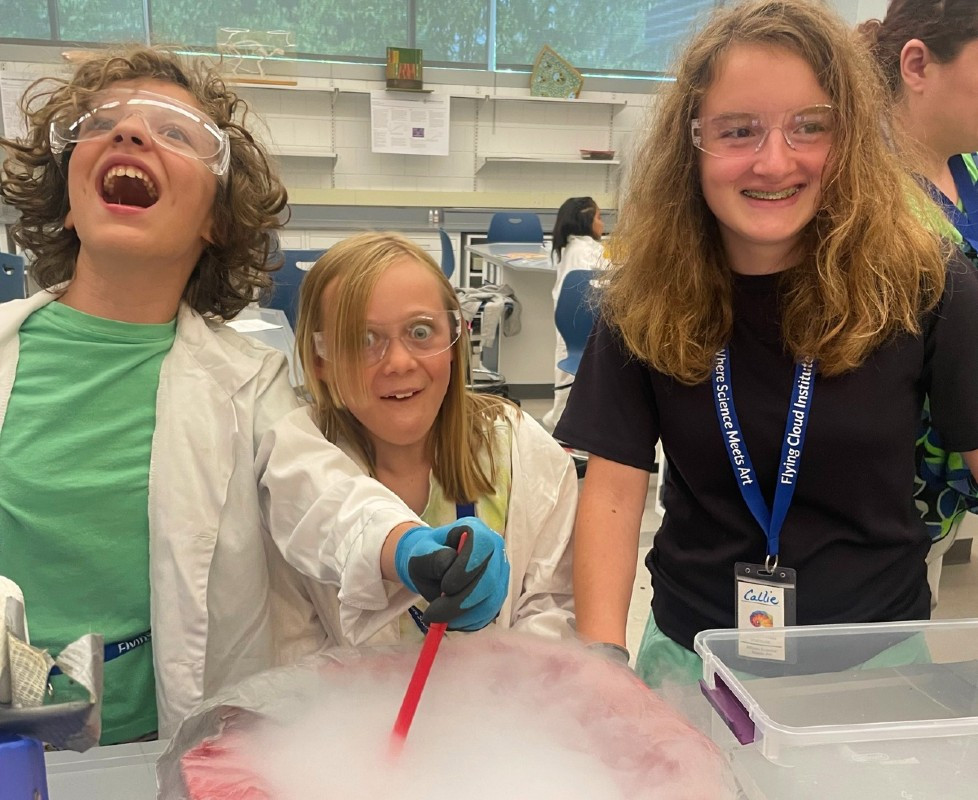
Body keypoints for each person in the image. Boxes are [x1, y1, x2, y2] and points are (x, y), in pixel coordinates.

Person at [0, 46, 508, 743]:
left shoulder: (246, 382)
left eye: (175, 132)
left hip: (162, 745)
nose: (130, 134)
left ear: (215, 220)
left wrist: (407, 545)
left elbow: (321, 494)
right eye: (105, 122)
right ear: (65, 201)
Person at [554, 0, 978, 686]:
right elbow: (613, 488)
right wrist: (603, 661)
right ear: (692, 139)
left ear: (848, 140)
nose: (774, 161)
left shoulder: (928, 284)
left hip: (876, 662)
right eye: (739, 130)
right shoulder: (644, 296)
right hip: (694, 658)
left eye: (810, 127)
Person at [284, 232, 576, 643]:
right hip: (355, 705)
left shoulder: (521, 452)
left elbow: (552, 611)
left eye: (421, 332)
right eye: (363, 340)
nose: (399, 362)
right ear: (320, 361)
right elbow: (293, 642)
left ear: (455, 341)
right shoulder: (299, 458)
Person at [859, 0, 978, 603]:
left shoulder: (971, 171)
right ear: (916, 64)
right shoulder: (861, 194)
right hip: (877, 497)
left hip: (949, 490)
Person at [541, 197, 610, 434]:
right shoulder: (582, 250)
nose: (603, 225)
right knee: (571, 381)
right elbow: (597, 285)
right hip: (581, 327)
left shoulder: (574, 247)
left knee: (567, 379)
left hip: (573, 326)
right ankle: (564, 430)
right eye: (599, 218)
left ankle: (563, 426)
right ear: (586, 219)